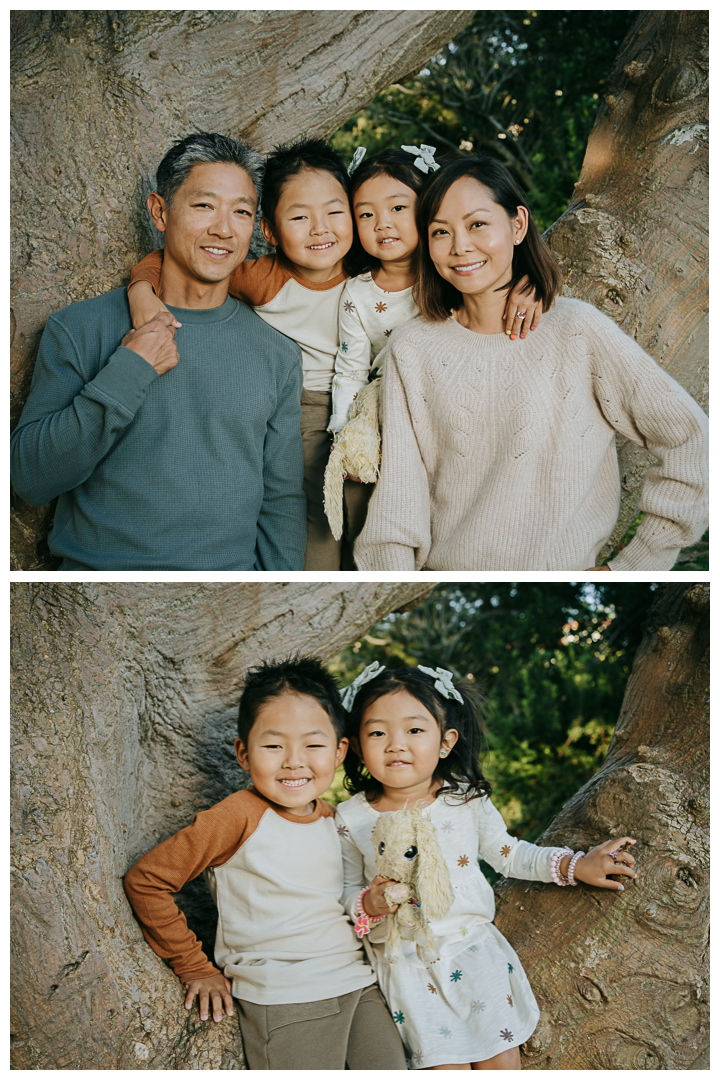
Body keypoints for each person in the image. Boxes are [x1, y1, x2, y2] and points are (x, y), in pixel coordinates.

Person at [353, 155, 709, 572]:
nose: (460, 246)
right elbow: (398, 505)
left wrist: (637, 566)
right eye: (440, 232)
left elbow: (692, 440)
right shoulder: (412, 351)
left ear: (517, 225)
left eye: (478, 224)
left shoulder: (576, 330)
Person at [10, 132, 306, 571]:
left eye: (240, 211)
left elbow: (282, 499)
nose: (223, 228)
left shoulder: (277, 354)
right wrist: (128, 370)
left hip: (226, 595)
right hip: (96, 590)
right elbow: (29, 479)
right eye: (204, 205)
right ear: (160, 211)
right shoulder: (79, 328)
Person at [335, 663, 638, 1070]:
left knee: (501, 1061)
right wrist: (368, 904)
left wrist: (575, 864)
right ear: (355, 745)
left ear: (445, 742)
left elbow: (509, 854)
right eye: (377, 732)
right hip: (404, 965)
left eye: (414, 730)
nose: (395, 745)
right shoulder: (349, 818)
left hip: (472, 953)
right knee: (445, 1068)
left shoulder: (465, 799)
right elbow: (344, 889)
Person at [124, 656, 407, 1072]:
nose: (294, 761)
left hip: (360, 985)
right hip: (284, 997)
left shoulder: (339, 820)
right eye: (273, 746)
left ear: (340, 750)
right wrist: (193, 966)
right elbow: (146, 881)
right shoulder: (237, 815)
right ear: (243, 752)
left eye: (313, 745)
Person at [127, 138, 362, 570]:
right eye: (299, 216)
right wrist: (142, 288)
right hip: (305, 408)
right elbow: (177, 263)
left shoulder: (371, 274)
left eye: (334, 212)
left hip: (368, 406)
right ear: (269, 230)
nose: (320, 228)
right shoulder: (262, 279)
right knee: (318, 512)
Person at [324, 146, 542, 545]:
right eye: (366, 214)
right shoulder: (357, 292)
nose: (382, 225)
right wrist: (344, 429)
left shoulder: (453, 271)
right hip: (387, 404)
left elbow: (504, 276)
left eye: (398, 209)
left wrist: (534, 286)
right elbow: (351, 366)